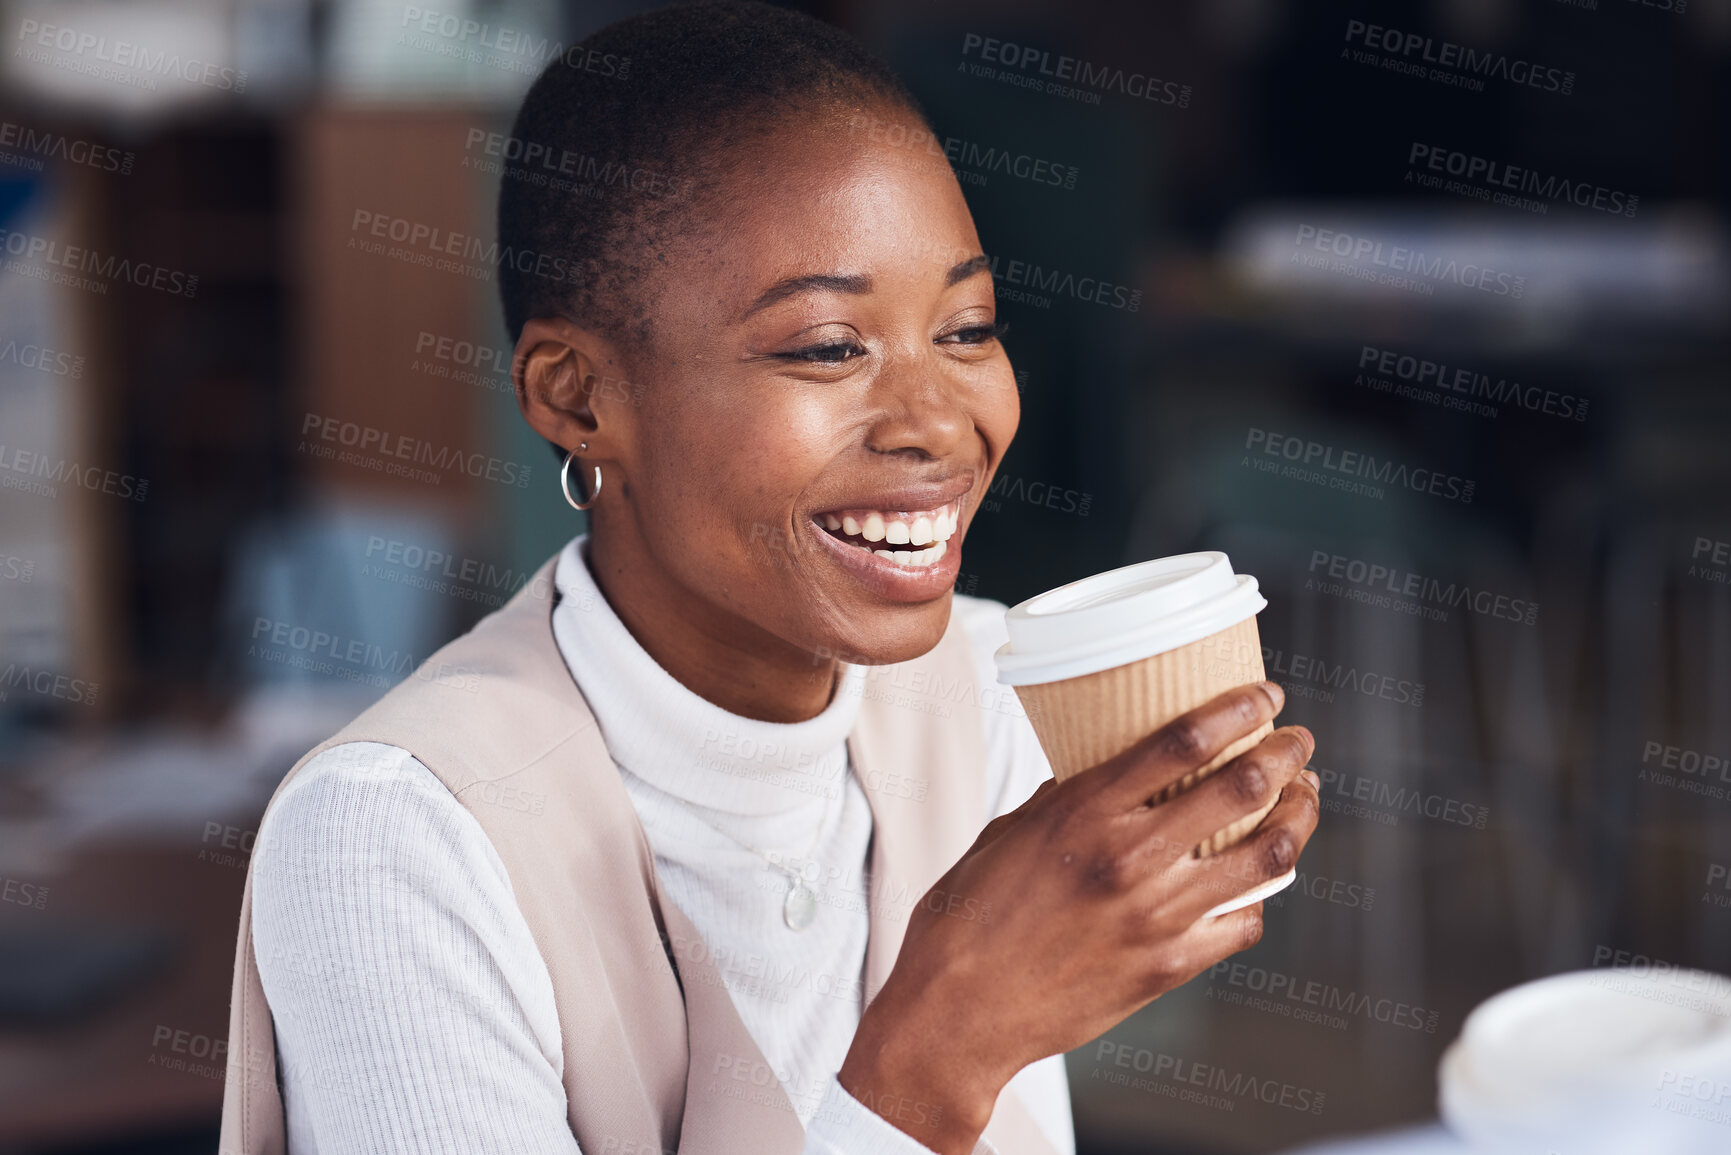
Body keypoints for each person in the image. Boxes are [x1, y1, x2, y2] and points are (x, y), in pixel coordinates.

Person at [218, 4, 1321, 1154]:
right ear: (577, 398)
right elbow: (944, 1083)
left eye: (968, 327)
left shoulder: (991, 696)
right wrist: (939, 1055)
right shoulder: (395, 838)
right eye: (827, 347)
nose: (940, 423)